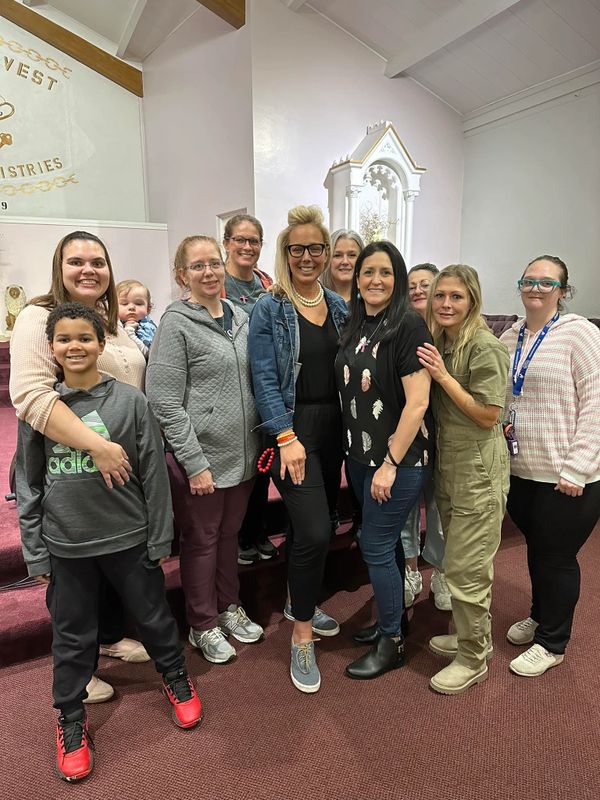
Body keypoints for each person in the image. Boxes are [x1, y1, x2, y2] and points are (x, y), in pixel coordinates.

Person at [16, 302, 202, 783]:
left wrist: (160, 535)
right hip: (67, 544)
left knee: (156, 617)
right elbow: (29, 485)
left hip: (129, 537)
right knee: (72, 636)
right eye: (64, 339)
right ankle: (71, 720)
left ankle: (176, 680)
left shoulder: (130, 401)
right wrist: (36, 548)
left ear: (102, 344)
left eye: (84, 337)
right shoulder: (43, 411)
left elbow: (153, 475)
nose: (74, 346)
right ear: (52, 348)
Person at [10, 230, 148, 704]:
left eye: (98, 261)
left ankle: (108, 636)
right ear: (58, 267)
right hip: (71, 464)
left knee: (109, 561)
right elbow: (31, 397)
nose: (88, 269)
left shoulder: (111, 320)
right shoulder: (37, 316)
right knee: (73, 581)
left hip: (118, 465)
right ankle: (79, 668)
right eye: (76, 261)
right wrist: (97, 446)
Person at [146, 235, 263, 665]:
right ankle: (202, 623)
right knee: (201, 540)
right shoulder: (175, 323)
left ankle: (228, 606)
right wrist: (194, 462)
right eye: (198, 266)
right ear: (182, 276)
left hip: (242, 455)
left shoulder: (241, 317)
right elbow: (163, 400)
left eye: (214, 263)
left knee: (229, 537)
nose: (209, 272)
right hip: (202, 461)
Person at [248, 205, 347, 693]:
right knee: (313, 528)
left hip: (336, 427)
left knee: (319, 520)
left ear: (326, 253)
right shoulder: (271, 306)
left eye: (315, 248)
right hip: (293, 425)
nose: (306, 256)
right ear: (285, 254)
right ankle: (301, 636)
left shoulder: (339, 304)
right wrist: (285, 436)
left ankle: (296, 600)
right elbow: (264, 376)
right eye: (297, 249)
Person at [499, 256, 600, 677]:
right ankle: (541, 615)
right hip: (522, 471)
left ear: (562, 290)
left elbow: (596, 403)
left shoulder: (580, 334)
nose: (535, 288)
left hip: (567, 477)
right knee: (538, 552)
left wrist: (577, 467)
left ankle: (553, 642)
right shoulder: (509, 337)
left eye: (546, 282)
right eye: (528, 280)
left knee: (557, 557)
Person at [336, 241, 433, 679]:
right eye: (367, 272)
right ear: (356, 280)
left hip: (399, 459)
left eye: (386, 272)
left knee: (375, 545)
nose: (376, 280)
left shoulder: (408, 326)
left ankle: (392, 642)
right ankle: (393, 621)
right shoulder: (358, 322)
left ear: (397, 278)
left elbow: (417, 404)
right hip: (359, 456)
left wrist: (390, 462)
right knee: (387, 541)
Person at [417, 264, 510, 695]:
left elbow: (488, 414)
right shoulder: (441, 341)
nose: (446, 304)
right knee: (460, 561)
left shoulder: (485, 347)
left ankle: (473, 658)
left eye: (456, 296)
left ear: (472, 299)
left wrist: (442, 377)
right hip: (449, 466)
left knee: (465, 568)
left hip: (477, 468)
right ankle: (475, 638)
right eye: (440, 296)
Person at [221, 214, 278, 565]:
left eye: (253, 241)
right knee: (240, 464)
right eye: (240, 240)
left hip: (266, 384)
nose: (247, 247)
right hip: (233, 385)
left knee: (262, 464)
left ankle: (257, 531)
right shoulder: (218, 281)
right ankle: (240, 534)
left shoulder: (268, 283)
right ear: (226, 242)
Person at [401, 264, 451, 611]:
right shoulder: (401, 329)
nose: (419, 291)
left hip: (444, 436)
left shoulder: (450, 332)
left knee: (439, 506)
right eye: (412, 286)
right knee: (404, 508)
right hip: (407, 433)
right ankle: (409, 570)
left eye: (425, 285)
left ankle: (442, 574)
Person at [116, 279, 157, 359]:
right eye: (125, 304)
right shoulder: (113, 326)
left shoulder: (148, 328)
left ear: (148, 308)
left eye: (138, 303)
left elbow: (149, 354)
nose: (131, 307)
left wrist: (130, 332)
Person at [321, 229, 364, 304]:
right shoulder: (316, 301)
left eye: (352, 255)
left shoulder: (370, 302)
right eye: (337, 255)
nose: (345, 262)